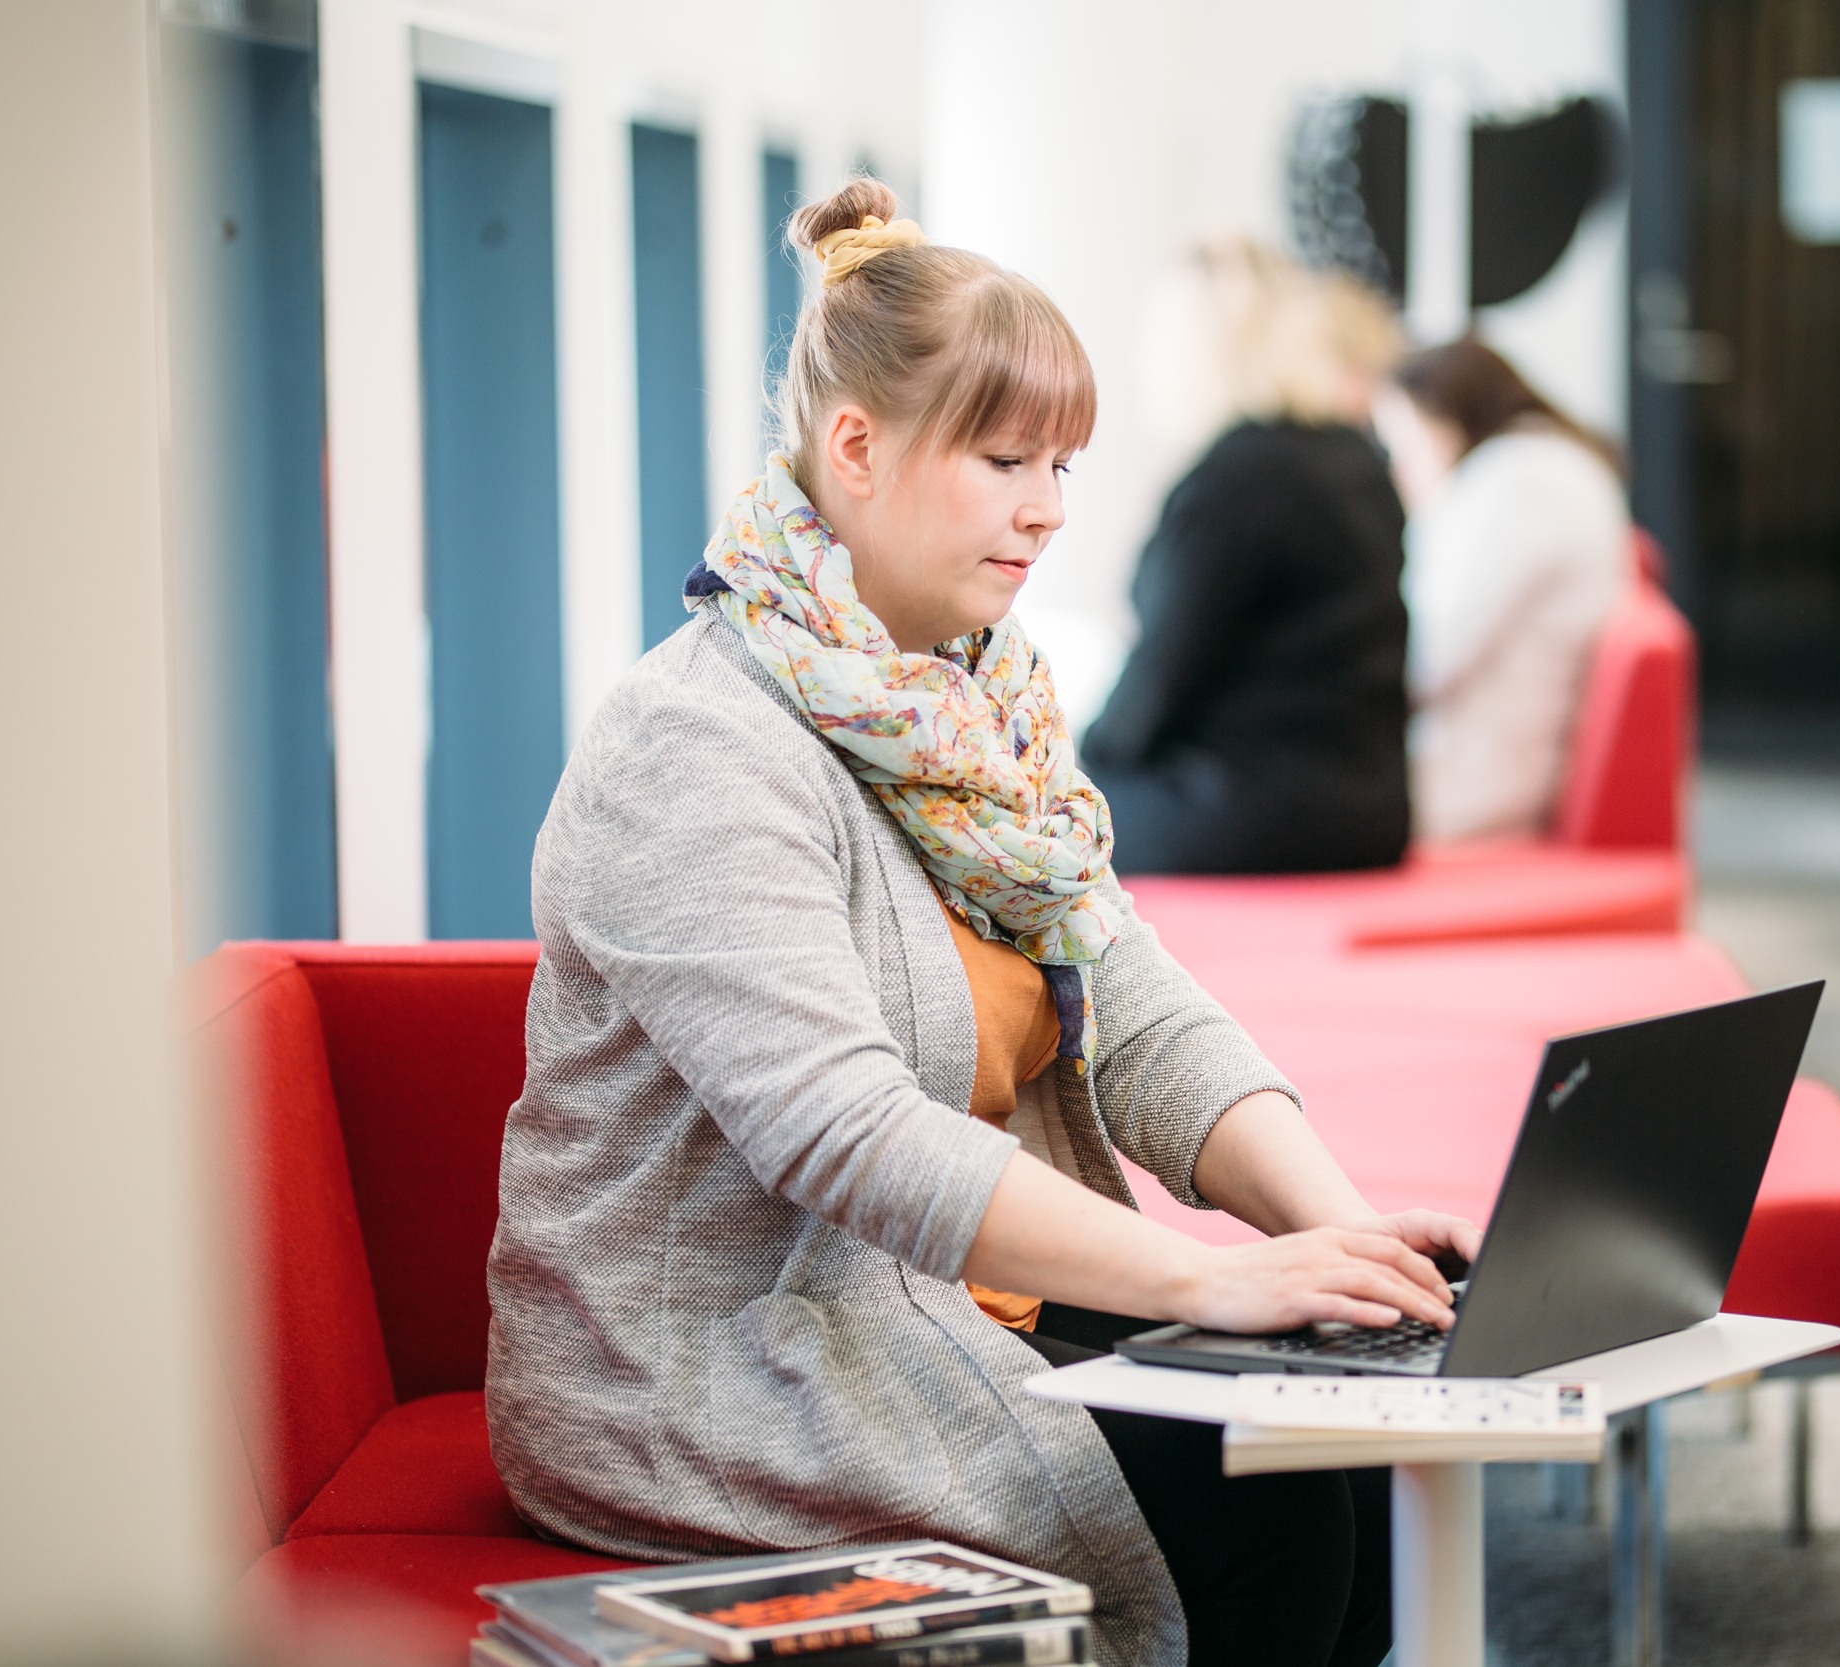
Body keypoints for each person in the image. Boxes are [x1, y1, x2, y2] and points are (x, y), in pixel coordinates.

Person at [484, 179, 1481, 1667]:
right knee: (1270, 1520)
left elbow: (1128, 993)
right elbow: (844, 1129)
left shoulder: (971, 698)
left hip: (946, 1300)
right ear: (857, 449)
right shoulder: (692, 746)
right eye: (1005, 457)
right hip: (719, 1363)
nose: (1049, 510)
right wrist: (1213, 1275)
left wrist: (1325, 1225)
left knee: (1339, 1446)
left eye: (1063, 463)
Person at [1078, 242, 1410, 873]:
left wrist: (1079, 758)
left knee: (1037, 819)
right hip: (1374, 812)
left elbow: (1162, 674)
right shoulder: (1358, 459)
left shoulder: (1232, 480)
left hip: (1252, 816)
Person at [1371, 337, 1633, 845]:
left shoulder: (1518, 485)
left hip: (1473, 787)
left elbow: (1428, 661)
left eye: (1405, 444)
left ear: (1450, 418)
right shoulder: (1541, 468)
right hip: (1488, 761)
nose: (1399, 470)